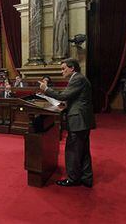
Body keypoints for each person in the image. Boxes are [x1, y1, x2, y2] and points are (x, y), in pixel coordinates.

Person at [39, 58, 95, 188]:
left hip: (78, 120)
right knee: (83, 151)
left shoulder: (77, 78)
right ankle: (86, 177)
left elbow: (63, 96)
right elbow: (74, 98)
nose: (61, 72)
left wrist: (46, 89)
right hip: (82, 120)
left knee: (73, 151)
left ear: (72, 68)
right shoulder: (79, 78)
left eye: (63, 68)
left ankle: (73, 179)